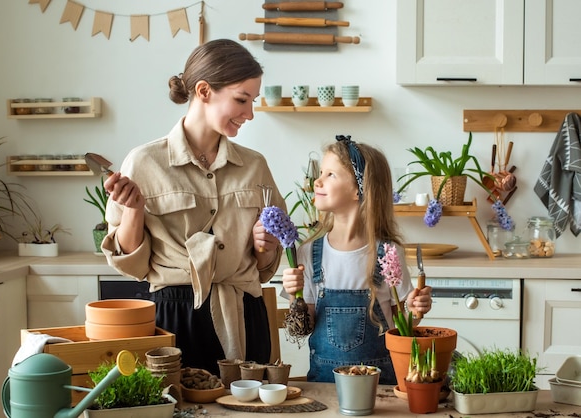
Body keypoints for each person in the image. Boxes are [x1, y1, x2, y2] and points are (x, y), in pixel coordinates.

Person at [100, 39, 286, 376]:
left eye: (253, 101)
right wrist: (134, 210)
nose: (250, 113)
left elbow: (263, 265)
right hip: (175, 317)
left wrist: (265, 246)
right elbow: (133, 265)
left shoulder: (255, 166)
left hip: (245, 313)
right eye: (241, 100)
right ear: (203, 91)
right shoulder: (144, 162)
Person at [281, 135, 433, 383]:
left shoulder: (388, 253)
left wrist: (415, 312)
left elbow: (400, 327)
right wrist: (294, 294)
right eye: (321, 172)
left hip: (380, 388)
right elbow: (304, 327)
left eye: (330, 174)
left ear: (358, 189)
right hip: (325, 387)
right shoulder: (309, 253)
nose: (317, 181)